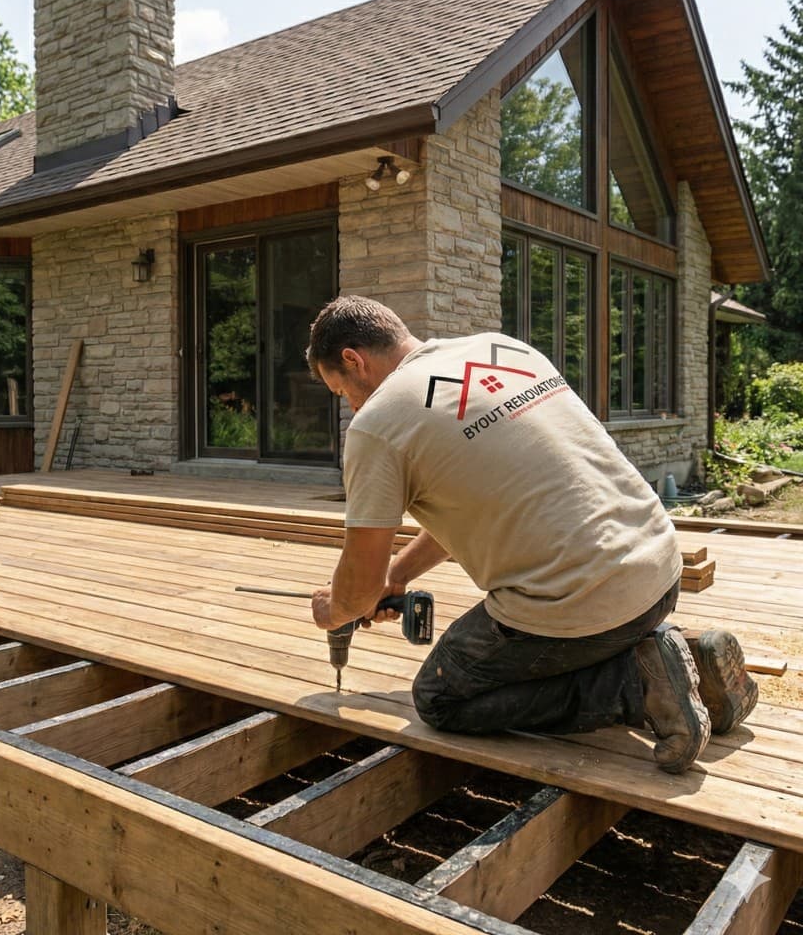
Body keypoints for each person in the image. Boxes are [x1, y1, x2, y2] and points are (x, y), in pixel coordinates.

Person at [306, 295, 758, 774]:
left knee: (440, 697)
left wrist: (333, 609)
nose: (350, 405)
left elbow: (356, 591)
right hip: (662, 573)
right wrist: (399, 572)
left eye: (342, 391)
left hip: (582, 601)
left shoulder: (378, 423)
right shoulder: (500, 349)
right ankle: (690, 659)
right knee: (570, 639)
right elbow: (475, 496)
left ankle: (636, 686)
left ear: (354, 360)